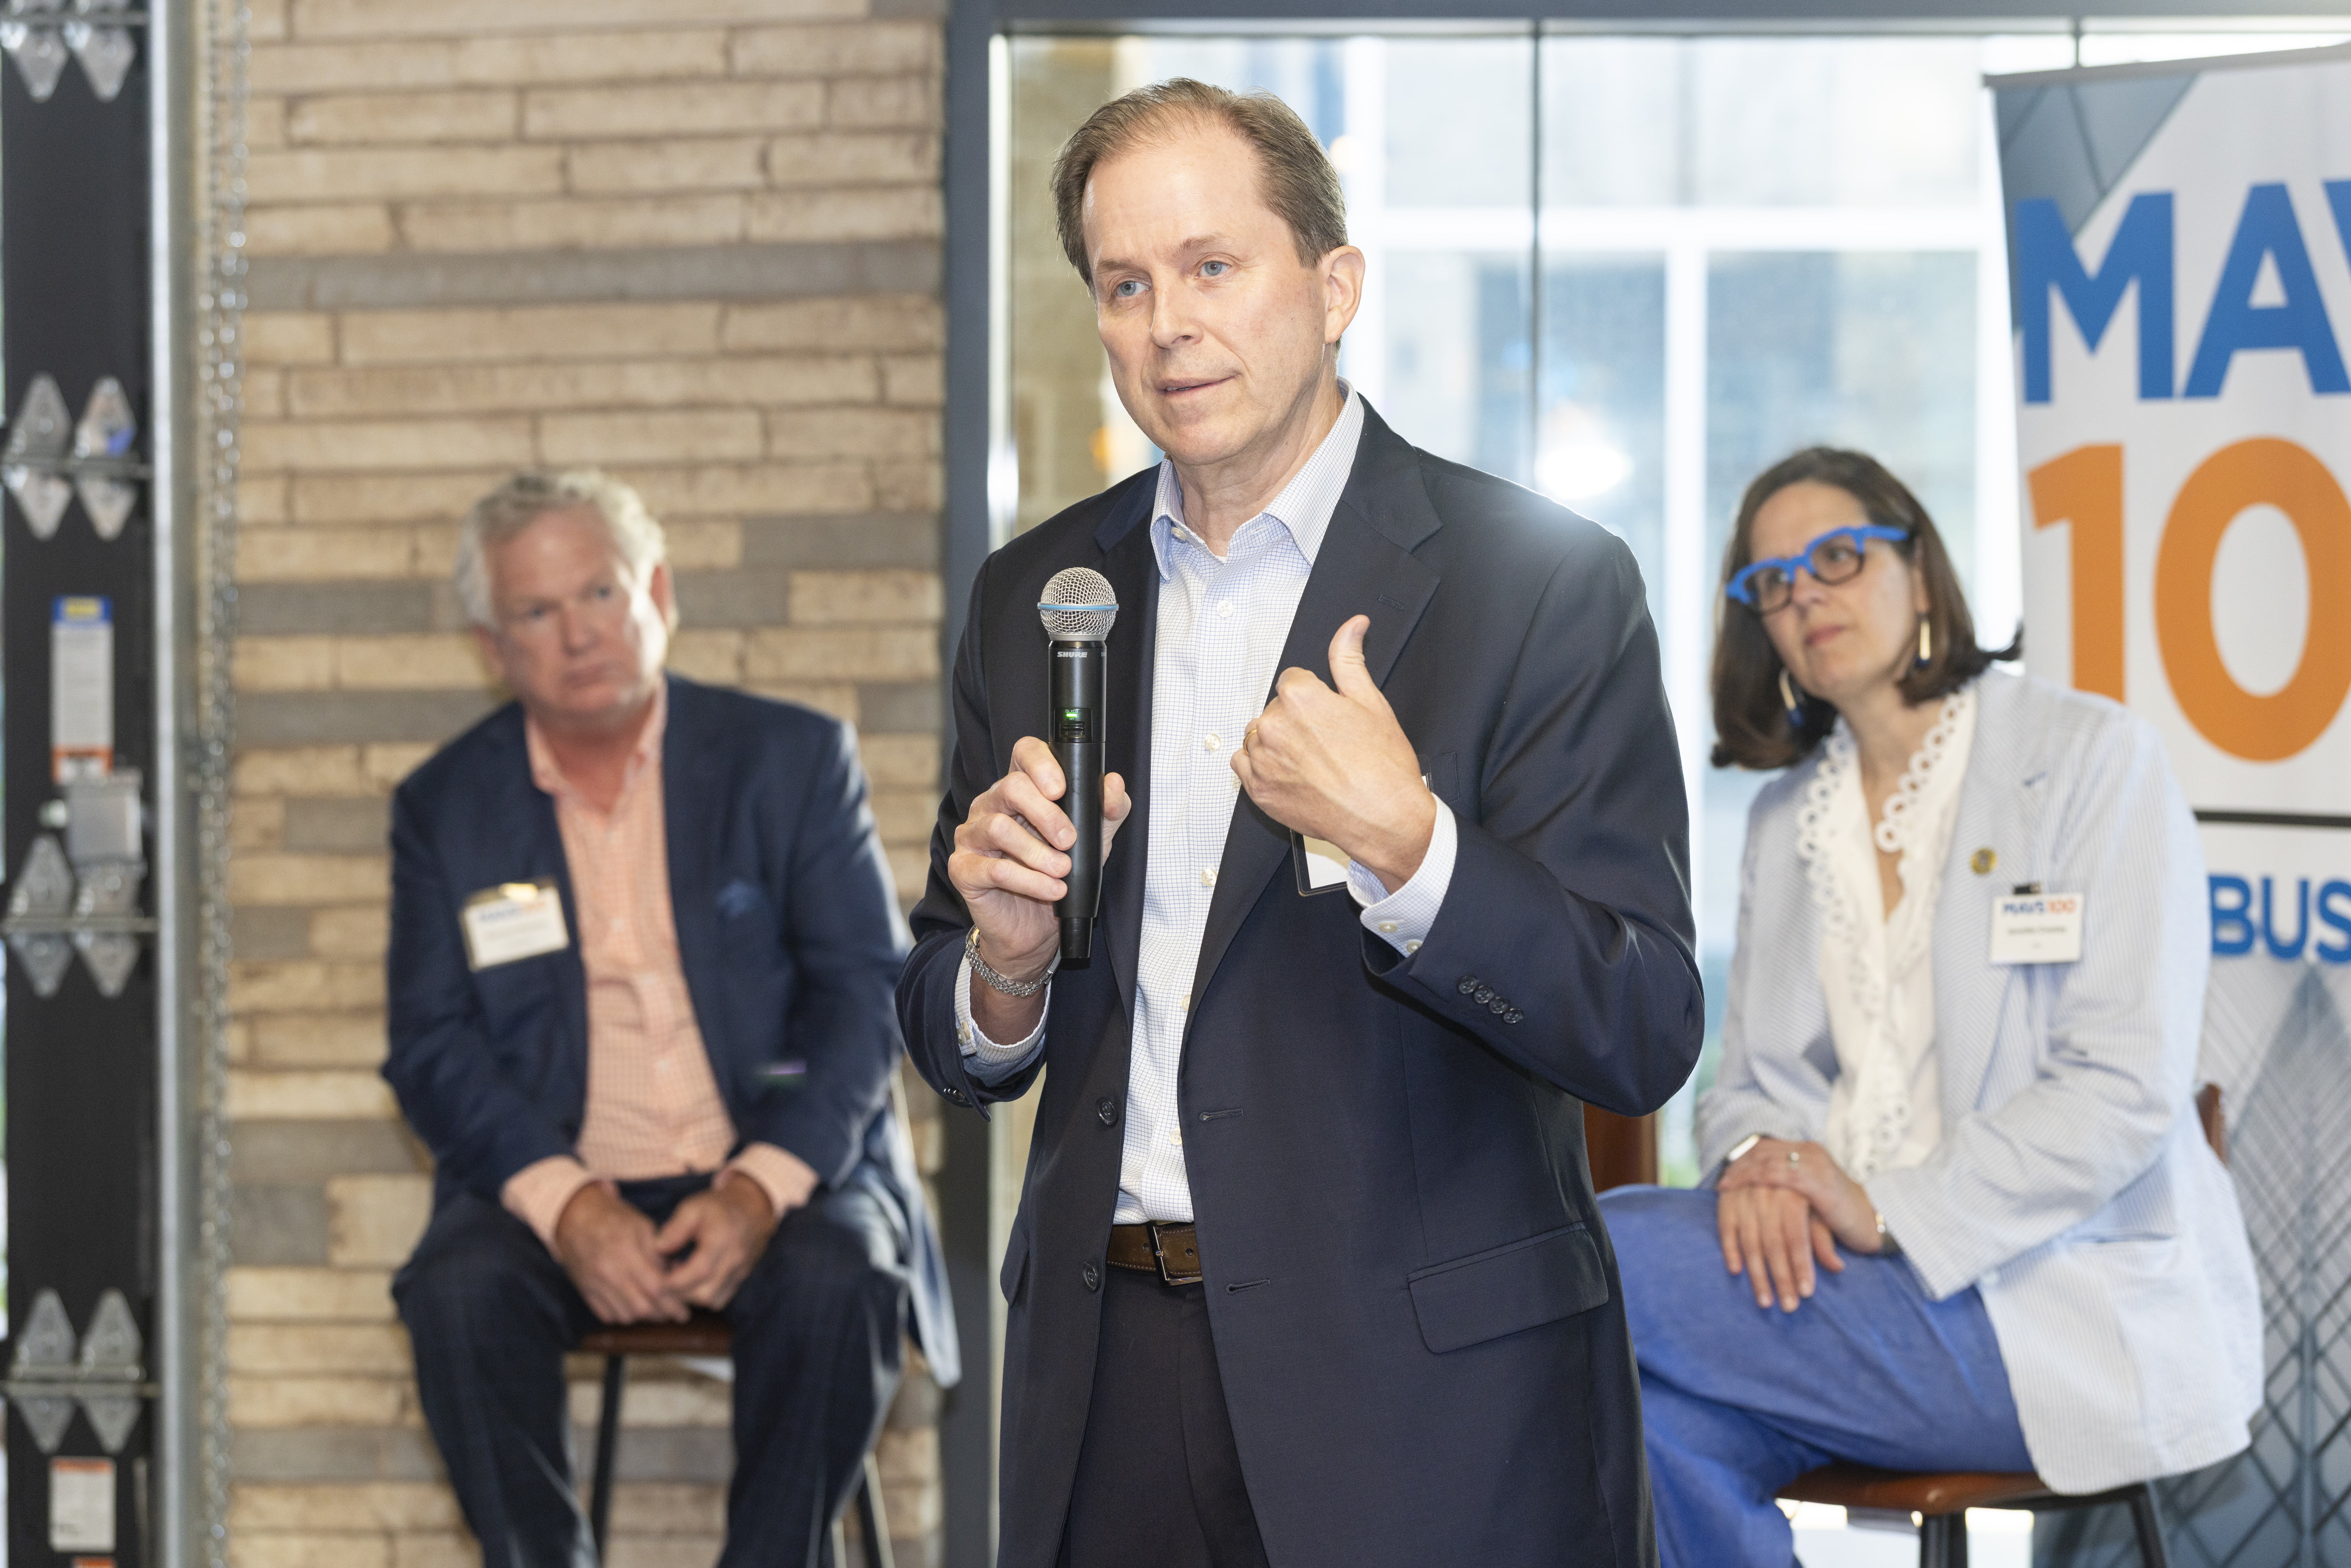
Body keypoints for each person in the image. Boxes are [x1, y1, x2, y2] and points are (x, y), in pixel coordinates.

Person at [896, 79, 1701, 1568]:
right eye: (1124, 285)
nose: (1167, 323)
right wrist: (1002, 964)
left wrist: (1415, 849)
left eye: (1213, 267)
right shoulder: (1041, 596)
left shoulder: (1538, 584)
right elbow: (959, 1031)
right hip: (1106, 1376)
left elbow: (1642, 1021)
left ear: (1334, 288)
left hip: (1422, 1396)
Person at [1599, 448, 2262, 1566]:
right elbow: (1747, 1083)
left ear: (1921, 570)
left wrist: (1884, 1204)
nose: (1804, 595)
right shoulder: (1782, 819)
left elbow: (2121, 1089)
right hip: (1834, 1288)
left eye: (1838, 559)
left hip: (2050, 1300)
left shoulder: (2095, 759)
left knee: (1593, 1252)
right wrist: (1766, 1160)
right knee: (1654, 1425)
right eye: (1772, 584)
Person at [383, 471, 956, 1568]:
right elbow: (432, 1044)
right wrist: (571, 1209)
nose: (578, 633)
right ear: (491, 646)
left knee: (847, 1278)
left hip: (779, 1171)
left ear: (658, 590)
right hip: (563, 1178)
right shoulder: (445, 806)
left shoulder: (790, 761)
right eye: (537, 613)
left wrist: (758, 1187)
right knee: (455, 1289)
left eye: (598, 592)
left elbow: (861, 995)